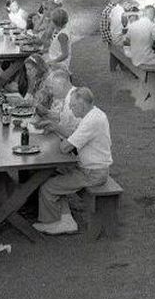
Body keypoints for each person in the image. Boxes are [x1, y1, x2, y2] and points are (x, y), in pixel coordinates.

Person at [34, 87, 113, 236]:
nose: (70, 108)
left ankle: (54, 223)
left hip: (93, 173)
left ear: (82, 105)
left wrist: (58, 139)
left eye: (73, 105)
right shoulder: (94, 114)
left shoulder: (91, 121)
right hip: (91, 167)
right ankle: (66, 219)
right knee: (53, 174)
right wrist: (56, 127)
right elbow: (74, 135)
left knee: (48, 187)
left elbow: (65, 148)